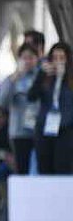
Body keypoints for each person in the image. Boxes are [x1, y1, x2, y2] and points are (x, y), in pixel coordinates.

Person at [28, 42, 73, 174]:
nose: (58, 61)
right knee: (44, 167)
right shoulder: (45, 77)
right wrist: (41, 75)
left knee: (62, 167)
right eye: (55, 57)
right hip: (45, 128)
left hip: (66, 129)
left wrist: (63, 77)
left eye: (61, 58)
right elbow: (31, 96)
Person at [0, 43, 40, 174]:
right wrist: (14, 79)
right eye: (24, 58)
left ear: (37, 59)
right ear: (19, 59)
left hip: (39, 131)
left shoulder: (41, 77)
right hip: (20, 132)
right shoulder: (12, 79)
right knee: (22, 169)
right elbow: (1, 102)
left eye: (31, 57)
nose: (28, 61)